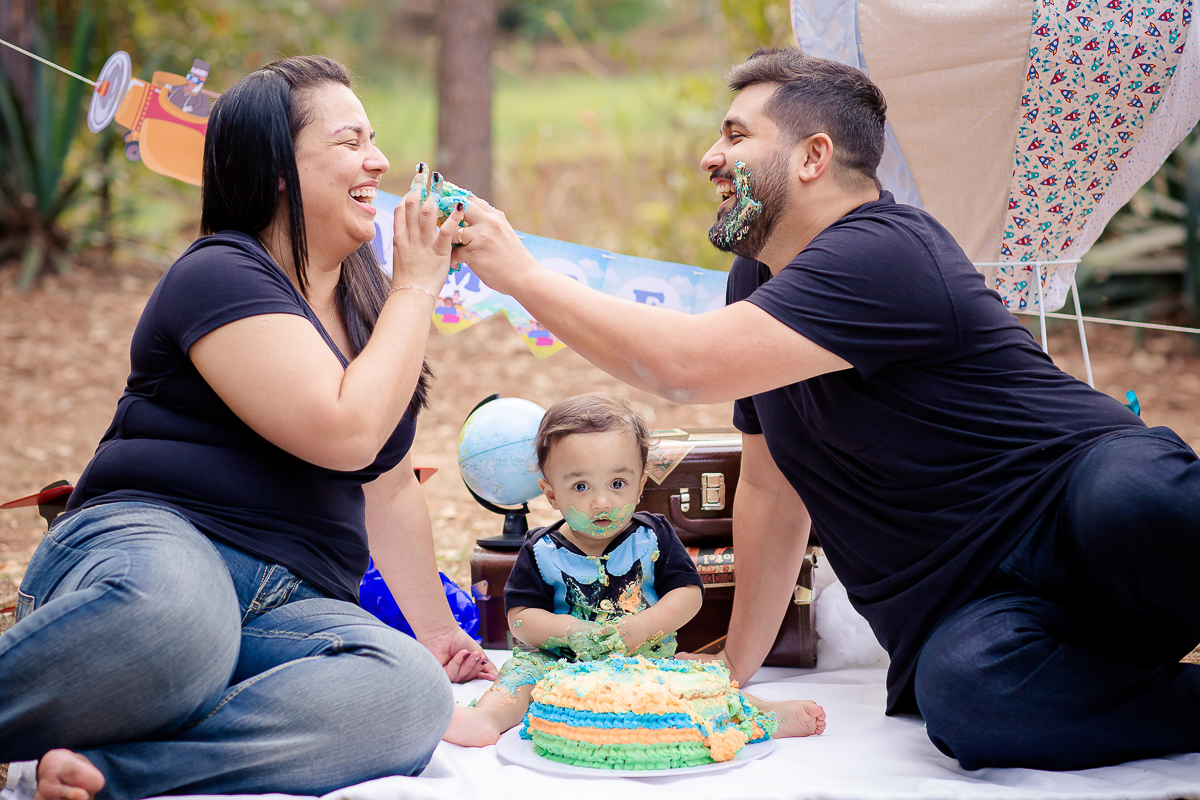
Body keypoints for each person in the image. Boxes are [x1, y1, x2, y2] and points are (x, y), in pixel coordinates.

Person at [452, 47, 1200, 771]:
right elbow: (773, 491)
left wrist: (521, 273)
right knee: (967, 700)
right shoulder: (755, 281)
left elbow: (683, 367)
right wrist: (735, 667)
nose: (709, 157)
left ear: (812, 156)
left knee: (1132, 498)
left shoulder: (884, 250)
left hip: (1077, 514)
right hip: (975, 609)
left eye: (736, 134)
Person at [0, 55, 497, 800]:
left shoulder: (369, 311)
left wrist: (434, 638)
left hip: (287, 606)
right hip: (154, 550)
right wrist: (419, 285)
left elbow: (388, 487)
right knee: (182, 625)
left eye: (375, 139)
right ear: (277, 171)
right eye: (349, 140)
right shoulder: (220, 272)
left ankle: (106, 772)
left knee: (409, 697)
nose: (380, 161)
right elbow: (344, 432)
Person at [442, 393, 825, 747]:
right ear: (551, 493)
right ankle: (487, 720)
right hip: (559, 663)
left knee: (702, 681)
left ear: (641, 485)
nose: (601, 500)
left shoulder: (653, 536)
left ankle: (762, 715)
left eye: (618, 483)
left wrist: (644, 625)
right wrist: (571, 631)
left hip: (646, 660)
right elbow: (520, 618)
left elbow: (689, 595)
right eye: (580, 487)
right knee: (518, 678)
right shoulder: (541, 549)